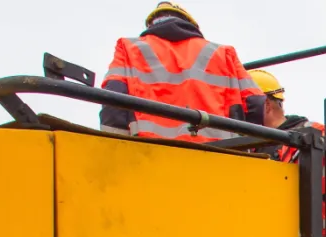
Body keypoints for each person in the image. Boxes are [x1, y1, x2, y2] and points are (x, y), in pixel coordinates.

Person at [99, 3, 264, 143]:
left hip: (149, 155)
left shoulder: (128, 47)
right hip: (220, 156)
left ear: (151, 25)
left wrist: (117, 149)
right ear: (189, 25)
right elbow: (256, 103)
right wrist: (248, 146)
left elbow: (113, 100)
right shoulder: (223, 53)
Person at [248, 69, 326, 213]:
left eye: (247, 105)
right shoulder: (249, 145)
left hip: (315, 229)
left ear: (265, 104)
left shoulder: (307, 131)